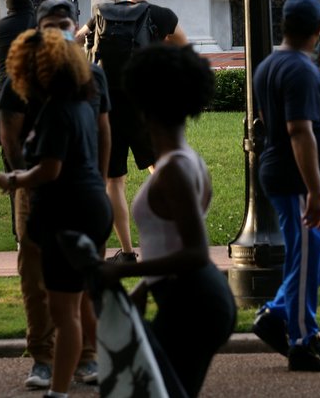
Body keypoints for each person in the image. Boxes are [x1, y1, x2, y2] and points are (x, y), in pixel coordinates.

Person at [99, 44, 236, 396]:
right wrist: (144, 287)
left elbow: (194, 252)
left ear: (145, 105)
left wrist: (122, 270)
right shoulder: (187, 160)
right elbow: (171, 240)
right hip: (193, 300)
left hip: (193, 303)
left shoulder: (174, 169)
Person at [0, 27, 113, 398]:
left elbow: (50, 170)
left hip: (67, 211)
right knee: (79, 300)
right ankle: (91, 368)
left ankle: (58, 391)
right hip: (91, 206)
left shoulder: (55, 111)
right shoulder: (81, 103)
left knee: (64, 312)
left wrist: (14, 179)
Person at [251, 0, 320, 372]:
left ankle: (277, 313)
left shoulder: (273, 64)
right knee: (306, 260)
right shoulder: (298, 69)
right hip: (298, 183)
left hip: (303, 181)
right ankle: (303, 342)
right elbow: (297, 132)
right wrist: (313, 191)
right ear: (317, 29)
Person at [76, 0, 187, 263]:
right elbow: (184, 47)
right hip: (143, 105)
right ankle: (179, 239)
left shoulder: (102, 13)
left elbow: (76, 39)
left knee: (115, 181)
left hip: (108, 109)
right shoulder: (162, 15)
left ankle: (126, 252)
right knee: (159, 170)